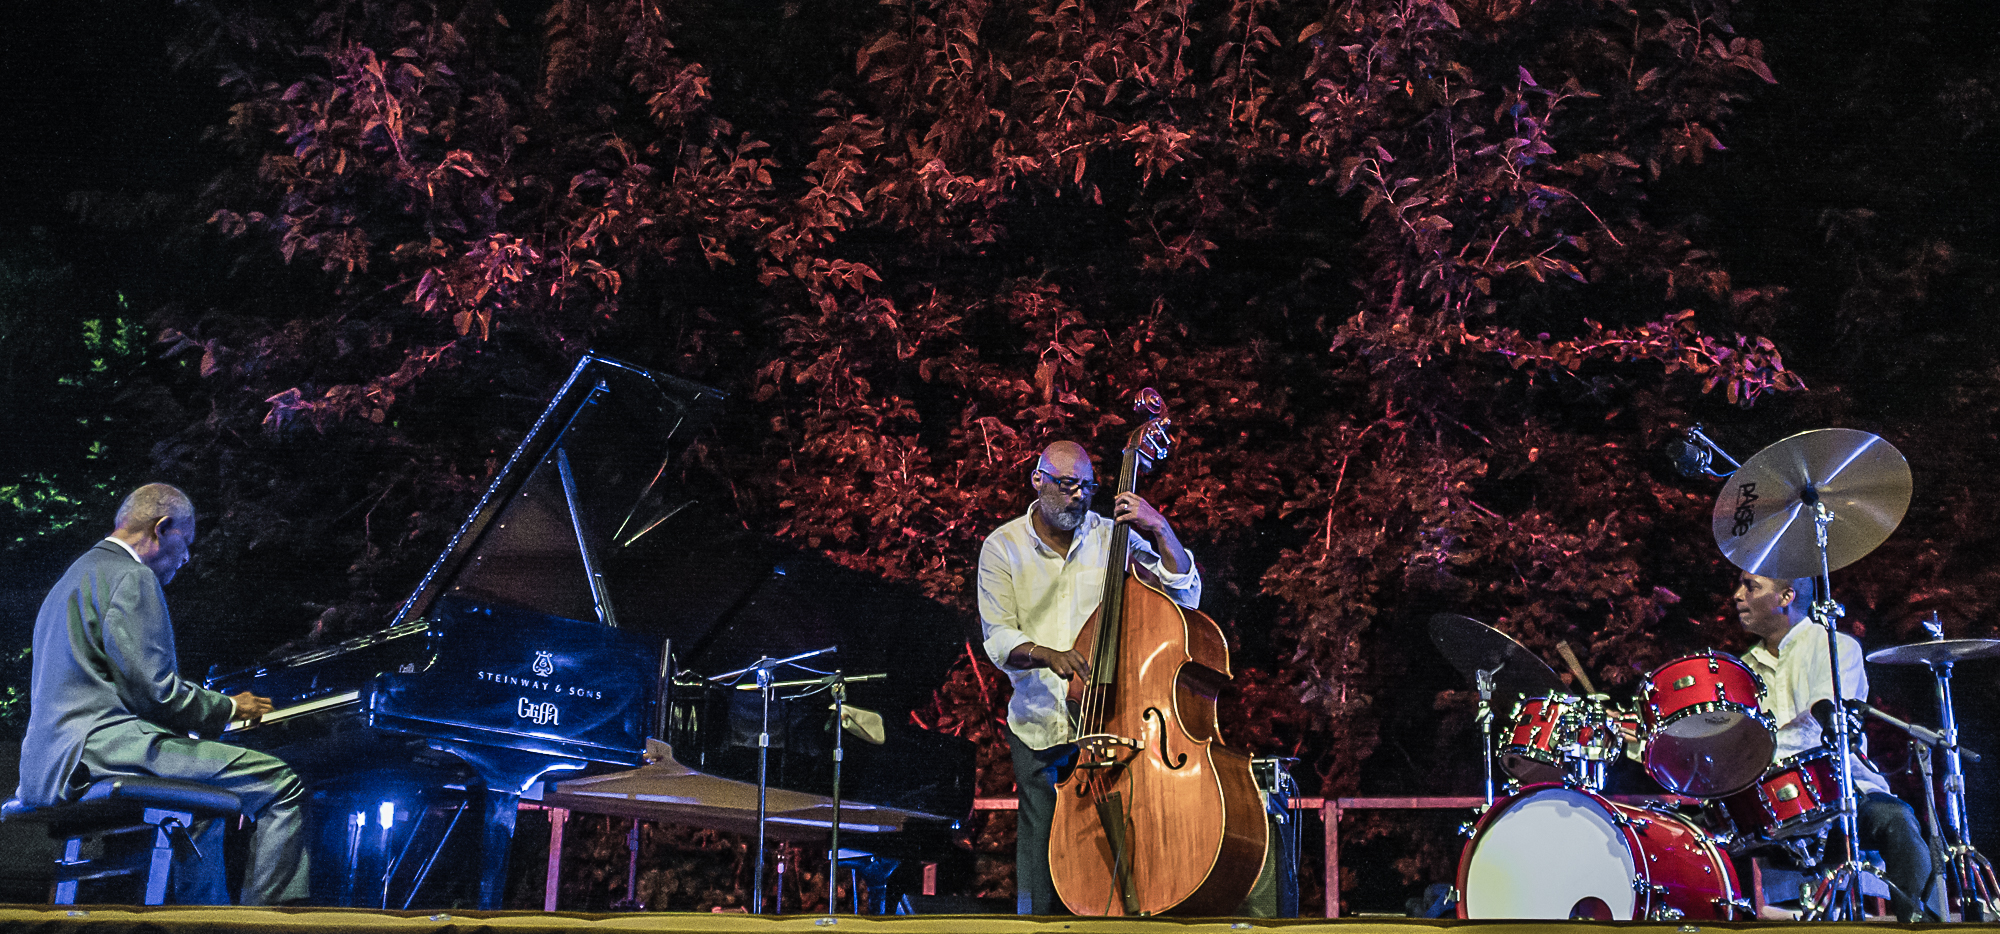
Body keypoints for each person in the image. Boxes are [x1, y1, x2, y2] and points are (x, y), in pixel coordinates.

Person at [14, 483, 309, 905]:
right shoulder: (133, 577)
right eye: (185, 543)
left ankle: (207, 918)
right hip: (100, 747)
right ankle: (268, 924)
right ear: (162, 528)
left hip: (50, 760)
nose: (187, 557)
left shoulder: (73, 577)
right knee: (281, 783)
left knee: (207, 805)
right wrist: (228, 707)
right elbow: (158, 693)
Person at [976, 441, 1201, 915]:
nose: (1079, 496)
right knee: (1039, 860)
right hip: (1039, 724)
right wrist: (1045, 654)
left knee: (1123, 848)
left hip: (1110, 721)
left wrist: (1159, 528)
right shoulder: (1002, 547)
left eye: (1088, 487)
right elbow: (997, 639)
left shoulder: (1110, 537)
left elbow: (1185, 596)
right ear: (1038, 480)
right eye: (1068, 485)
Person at [1734, 571, 1940, 921]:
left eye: (1750, 586)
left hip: (1841, 795)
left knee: (1897, 820)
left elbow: (1821, 722)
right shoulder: (1740, 670)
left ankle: (1917, 926)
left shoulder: (1835, 647)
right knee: (1708, 838)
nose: (1738, 595)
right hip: (1769, 810)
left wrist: (1759, 744)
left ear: (1786, 597)